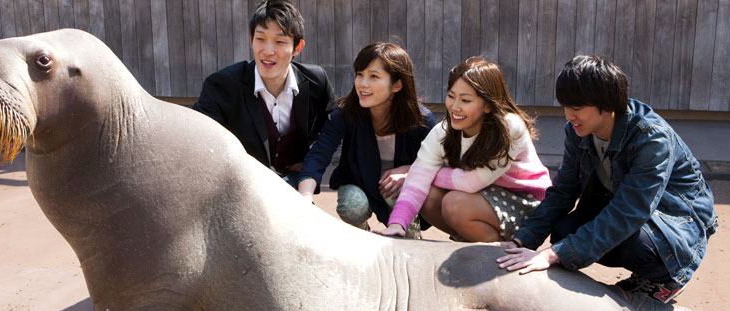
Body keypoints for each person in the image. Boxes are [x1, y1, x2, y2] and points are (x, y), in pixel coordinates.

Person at [496, 55, 718, 304]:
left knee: (636, 246)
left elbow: (630, 211)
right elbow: (563, 192)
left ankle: (665, 279)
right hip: (624, 207)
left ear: (606, 105)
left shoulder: (652, 138)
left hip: (676, 221)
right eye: (565, 106)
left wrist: (554, 254)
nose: (569, 115)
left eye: (577, 108)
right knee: (563, 232)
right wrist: (522, 239)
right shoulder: (577, 131)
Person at [373, 58, 551, 242]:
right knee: (428, 195)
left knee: (453, 203)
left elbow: (471, 183)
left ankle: (502, 248)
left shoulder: (510, 128)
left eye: (465, 100)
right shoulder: (443, 131)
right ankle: (469, 239)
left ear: (488, 105)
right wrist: (397, 224)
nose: (455, 106)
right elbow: (417, 180)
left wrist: (420, 173)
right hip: (482, 197)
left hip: (524, 201)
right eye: (451, 96)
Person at [297, 42, 436, 238]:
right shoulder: (345, 115)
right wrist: (305, 198)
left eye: (373, 76)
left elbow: (443, 162)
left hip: (399, 191)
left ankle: (410, 241)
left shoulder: (421, 120)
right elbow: (319, 154)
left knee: (401, 190)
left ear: (397, 84)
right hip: (359, 183)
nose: (362, 84)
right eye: (360, 74)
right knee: (352, 205)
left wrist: (410, 171)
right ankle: (365, 239)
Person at [192, 0, 335, 187]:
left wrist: (311, 160)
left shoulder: (316, 80)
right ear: (251, 40)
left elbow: (332, 125)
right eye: (260, 39)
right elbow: (200, 138)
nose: (268, 51)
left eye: (280, 41)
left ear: (297, 48)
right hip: (242, 185)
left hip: (294, 182)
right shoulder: (222, 85)